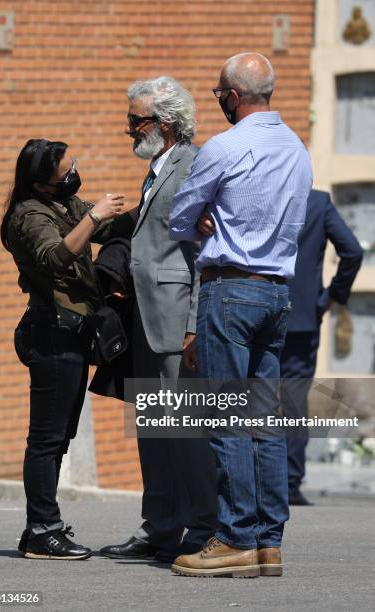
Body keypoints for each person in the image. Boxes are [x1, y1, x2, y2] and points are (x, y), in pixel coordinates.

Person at [169, 52, 312, 577]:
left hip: (230, 291)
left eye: (218, 95)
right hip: (277, 294)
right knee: (266, 423)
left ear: (232, 95)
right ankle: (268, 542)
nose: (219, 103)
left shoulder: (226, 146)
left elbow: (179, 218)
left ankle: (233, 539)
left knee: (229, 418)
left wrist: (207, 220)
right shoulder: (298, 150)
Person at [100, 77, 217, 563]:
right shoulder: (157, 167)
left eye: (136, 121)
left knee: (185, 433)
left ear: (165, 124)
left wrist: (193, 325)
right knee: (153, 429)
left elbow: (203, 253)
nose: (129, 129)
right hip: (145, 316)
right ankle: (161, 526)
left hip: (174, 320)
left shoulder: (193, 165)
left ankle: (203, 527)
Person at [0, 138, 129, 560]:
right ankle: (42, 530)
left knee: (60, 438)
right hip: (50, 333)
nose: (74, 174)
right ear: (42, 183)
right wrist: (94, 216)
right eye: (66, 170)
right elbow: (54, 256)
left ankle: (41, 528)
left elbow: (114, 228)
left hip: (70, 334)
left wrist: (152, 203)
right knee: (46, 439)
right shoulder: (28, 214)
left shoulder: (64, 204)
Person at [281, 189, 363, 506]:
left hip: (256, 312)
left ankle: (254, 480)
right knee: (294, 400)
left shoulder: (257, 193)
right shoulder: (317, 202)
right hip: (303, 315)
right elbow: (352, 252)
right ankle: (289, 482)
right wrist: (331, 296)